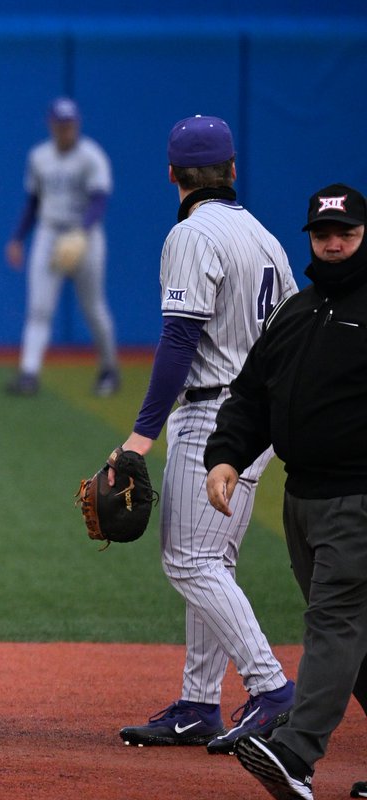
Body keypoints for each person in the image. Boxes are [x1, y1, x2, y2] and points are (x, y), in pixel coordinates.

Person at [112, 115, 296, 753]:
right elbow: (292, 337)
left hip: (215, 414)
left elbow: (179, 338)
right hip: (259, 414)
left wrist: (139, 437)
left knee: (189, 561)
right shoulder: (265, 238)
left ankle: (272, 689)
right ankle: (197, 704)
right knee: (213, 560)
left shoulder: (192, 234)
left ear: (172, 175)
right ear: (233, 171)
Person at [206, 184, 367, 800]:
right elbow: (251, 395)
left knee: (334, 623)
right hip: (301, 500)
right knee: (355, 636)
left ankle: (294, 754)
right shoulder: (297, 312)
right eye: (324, 234)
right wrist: (226, 456)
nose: (333, 243)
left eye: (346, 233)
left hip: (357, 499)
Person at [4, 97, 120, 397]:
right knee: (39, 308)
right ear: (51, 125)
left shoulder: (91, 156)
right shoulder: (39, 156)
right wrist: (18, 238)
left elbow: (99, 199)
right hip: (49, 232)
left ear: (77, 125)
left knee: (92, 307)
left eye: (70, 124)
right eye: (60, 124)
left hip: (85, 236)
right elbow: (33, 201)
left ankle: (109, 369)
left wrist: (81, 233)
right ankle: (29, 373)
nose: (65, 130)